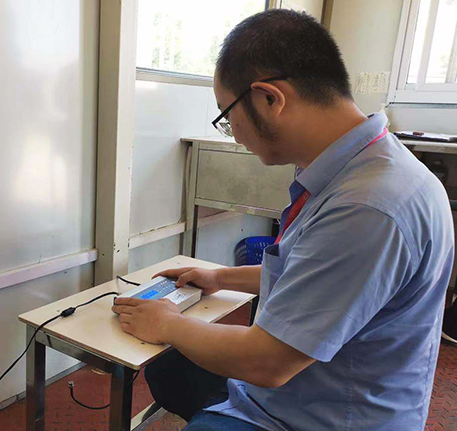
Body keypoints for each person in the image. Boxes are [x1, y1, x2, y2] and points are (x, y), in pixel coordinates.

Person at [111, 9, 454, 431]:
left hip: (318, 417)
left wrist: (168, 323)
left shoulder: (367, 206)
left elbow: (267, 362)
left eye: (227, 116)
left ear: (269, 99)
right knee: (170, 370)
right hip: (307, 390)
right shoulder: (362, 167)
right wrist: (220, 278)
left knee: (179, 353)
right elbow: (312, 272)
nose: (233, 132)